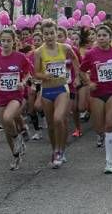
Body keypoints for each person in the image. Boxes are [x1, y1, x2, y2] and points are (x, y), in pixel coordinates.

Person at [80, 25, 112, 174]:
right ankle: (101, 136)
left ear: (110, 37)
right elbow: (82, 71)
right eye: (99, 35)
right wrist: (89, 83)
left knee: (109, 123)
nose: (101, 38)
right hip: (97, 92)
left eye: (104, 35)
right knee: (99, 126)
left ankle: (109, 161)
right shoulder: (91, 54)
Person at [34, 19, 80, 169]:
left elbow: (75, 59)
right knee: (52, 125)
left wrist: (77, 76)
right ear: (42, 35)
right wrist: (44, 76)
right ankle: (55, 150)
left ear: (56, 33)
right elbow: (36, 73)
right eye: (46, 34)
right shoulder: (39, 52)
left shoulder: (65, 48)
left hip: (62, 88)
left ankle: (61, 150)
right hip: (47, 90)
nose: (49, 36)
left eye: (52, 33)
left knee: (59, 118)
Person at [0, 29, 32, 170]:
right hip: (1, 96)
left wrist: (23, 82)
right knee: (6, 129)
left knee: (7, 118)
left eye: (8, 40)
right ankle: (16, 157)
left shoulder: (20, 57)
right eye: (3, 41)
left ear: (14, 41)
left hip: (15, 96)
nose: (5, 43)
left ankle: (18, 138)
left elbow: (28, 73)